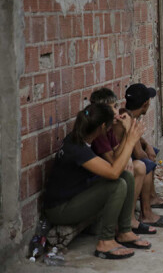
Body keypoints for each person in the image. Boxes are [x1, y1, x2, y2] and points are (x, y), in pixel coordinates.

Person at [43, 104, 151, 260]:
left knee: (126, 176)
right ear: (103, 127)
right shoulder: (78, 149)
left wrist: (128, 134)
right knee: (117, 185)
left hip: (76, 195)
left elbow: (116, 165)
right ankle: (105, 242)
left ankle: (125, 232)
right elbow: (113, 173)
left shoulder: (81, 139)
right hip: (60, 210)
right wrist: (131, 140)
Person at [89, 88, 157, 235]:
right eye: (113, 108)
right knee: (137, 166)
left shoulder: (109, 129)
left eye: (116, 106)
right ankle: (125, 222)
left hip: (109, 170)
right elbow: (114, 161)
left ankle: (130, 218)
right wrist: (130, 136)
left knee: (138, 166)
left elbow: (117, 153)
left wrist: (128, 133)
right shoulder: (99, 132)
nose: (116, 111)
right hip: (94, 179)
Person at [125, 83, 163, 228]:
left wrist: (148, 147)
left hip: (124, 155)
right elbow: (138, 152)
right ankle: (146, 213)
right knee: (147, 163)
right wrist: (147, 155)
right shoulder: (128, 119)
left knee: (152, 152)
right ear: (145, 104)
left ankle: (152, 197)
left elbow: (138, 140)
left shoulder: (128, 114)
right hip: (122, 160)